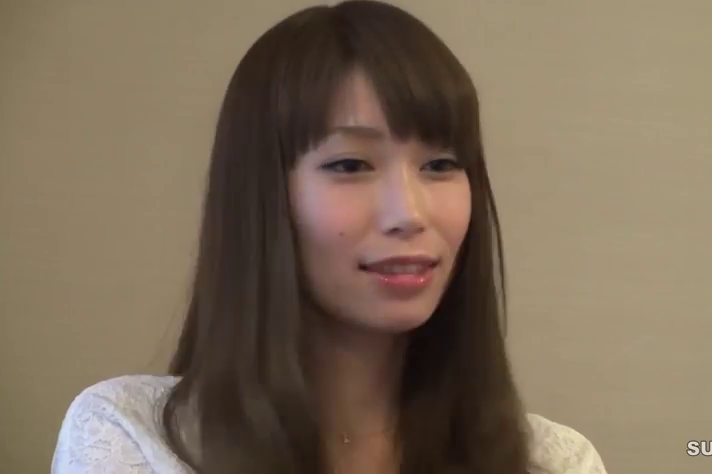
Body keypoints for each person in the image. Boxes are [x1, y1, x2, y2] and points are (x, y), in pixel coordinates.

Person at [51, 1, 607, 473]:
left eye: (440, 164)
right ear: (263, 196)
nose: (409, 214)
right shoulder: (130, 439)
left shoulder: (554, 461)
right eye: (349, 165)